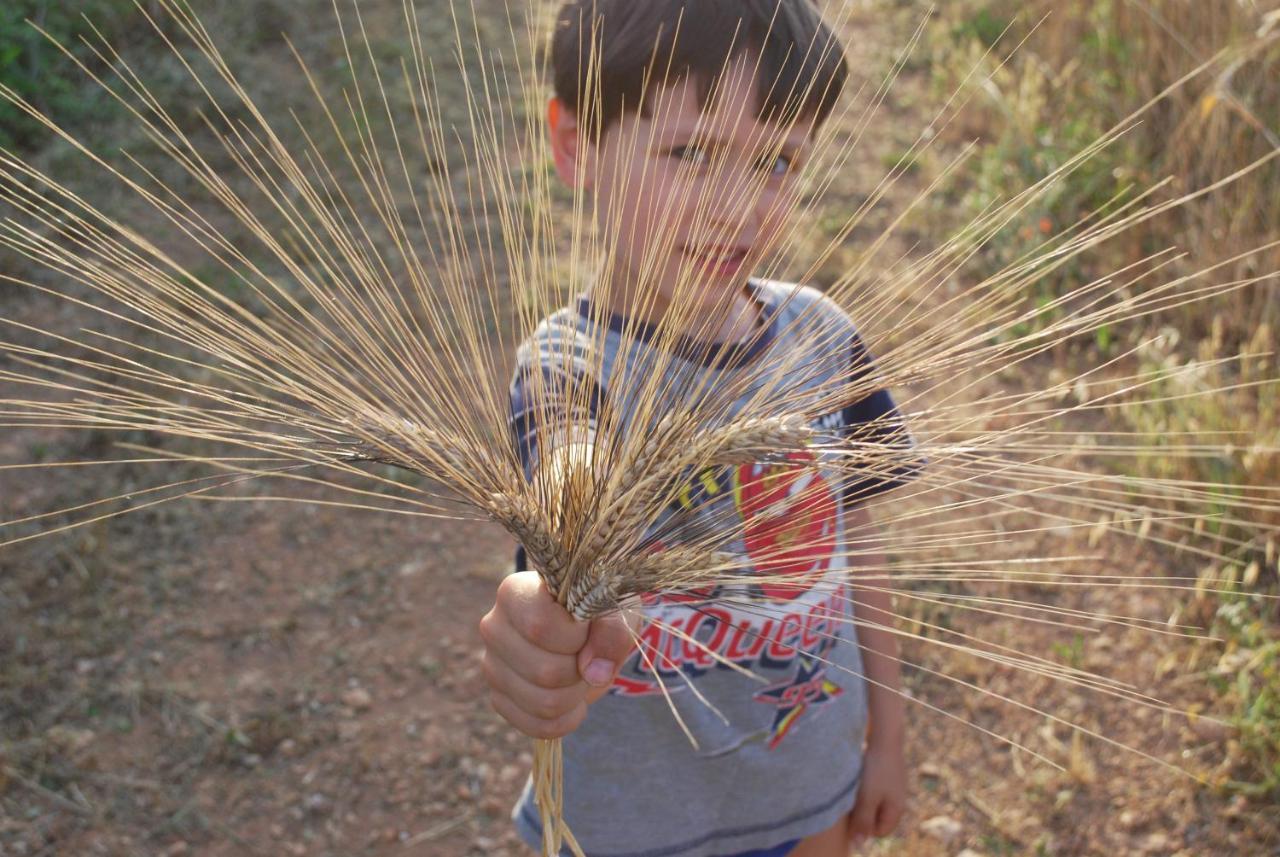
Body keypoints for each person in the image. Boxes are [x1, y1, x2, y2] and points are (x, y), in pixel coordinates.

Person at [479, 2, 919, 854]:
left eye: (778, 161)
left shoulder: (823, 338)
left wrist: (889, 739)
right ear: (573, 145)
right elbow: (573, 482)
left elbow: (853, 536)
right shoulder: (568, 367)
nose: (739, 206)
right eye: (690, 153)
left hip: (809, 788)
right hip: (629, 826)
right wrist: (540, 614)